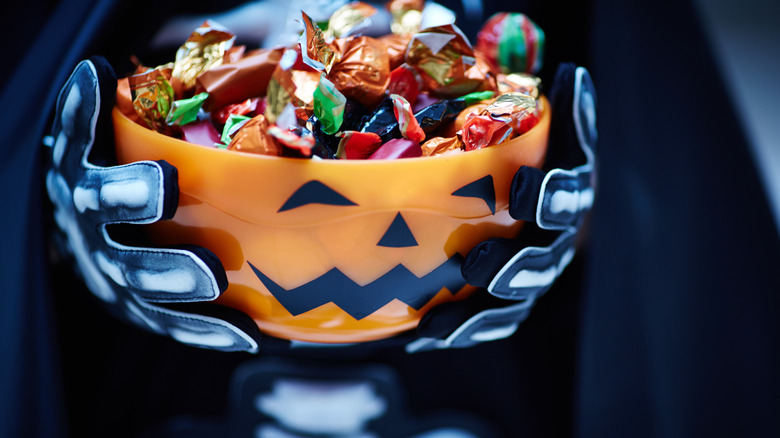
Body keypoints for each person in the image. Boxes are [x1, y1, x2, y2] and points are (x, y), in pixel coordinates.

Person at [1, 0, 778, 437]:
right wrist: (47, 221)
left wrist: (607, 199)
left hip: (496, 333)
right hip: (151, 339)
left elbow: (635, 87)